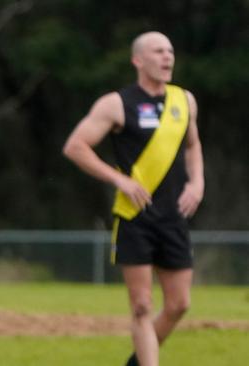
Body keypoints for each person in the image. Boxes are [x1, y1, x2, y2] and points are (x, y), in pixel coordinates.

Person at [63, 32, 204, 366]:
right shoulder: (116, 103)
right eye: (158, 51)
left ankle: (137, 361)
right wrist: (119, 180)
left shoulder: (184, 100)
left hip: (173, 217)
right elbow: (75, 147)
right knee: (141, 305)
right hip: (134, 217)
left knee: (178, 305)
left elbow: (193, 145)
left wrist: (197, 183)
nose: (167, 56)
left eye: (170, 50)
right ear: (138, 60)